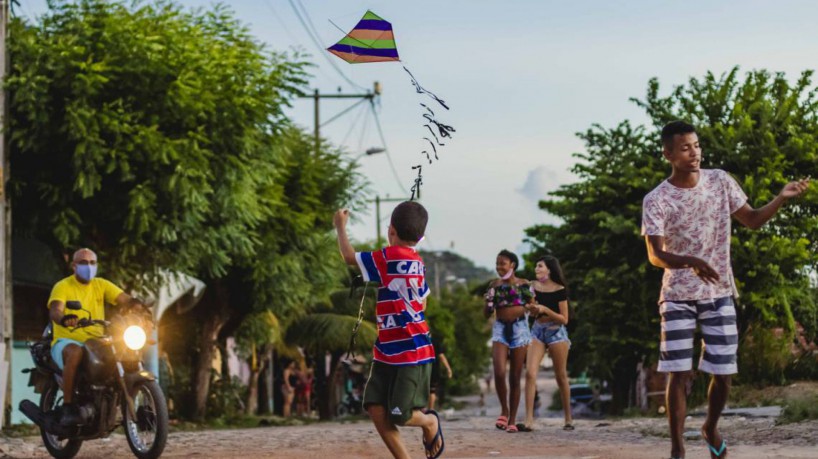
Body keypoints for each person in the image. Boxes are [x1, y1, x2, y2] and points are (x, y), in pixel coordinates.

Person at [642, 121, 810, 459]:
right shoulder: (657, 199)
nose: (695, 152)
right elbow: (655, 255)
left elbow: (752, 219)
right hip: (676, 295)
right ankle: (677, 448)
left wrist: (781, 197)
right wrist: (691, 260)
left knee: (723, 371)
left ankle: (710, 426)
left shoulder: (720, 181)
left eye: (697, 145)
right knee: (679, 370)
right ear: (668, 153)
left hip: (718, 292)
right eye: (686, 147)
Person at [334, 202, 444, 459]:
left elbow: (349, 257)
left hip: (411, 351)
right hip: (387, 348)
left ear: (390, 230)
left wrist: (340, 226)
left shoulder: (386, 257)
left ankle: (429, 423)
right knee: (374, 406)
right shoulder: (417, 261)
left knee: (400, 414)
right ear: (421, 237)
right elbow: (424, 300)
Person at [47, 248, 146, 426]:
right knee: (76, 352)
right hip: (67, 341)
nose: (89, 266)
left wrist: (137, 305)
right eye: (84, 263)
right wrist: (64, 319)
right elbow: (55, 310)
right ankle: (68, 407)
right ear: (74, 266)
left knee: (123, 350)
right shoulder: (62, 286)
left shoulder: (101, 285)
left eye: (92, 263)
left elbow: (124, 298)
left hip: (95, 342)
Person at [521, 255, 573, 432]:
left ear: (549, 269)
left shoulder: (560, 290)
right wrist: (533, 308)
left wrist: (545, 309)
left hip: (556, 332)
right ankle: (528, 419)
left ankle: (568, 418)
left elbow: (564, 319)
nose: (536, 269)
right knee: (529, 373)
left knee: (561, 375)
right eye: (536, 266)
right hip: (537, 330)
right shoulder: (532, 286)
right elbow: (530, 306)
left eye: (540, 266)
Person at [484, 249, 530, 433]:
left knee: (515, 376)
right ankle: (504, 409)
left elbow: (532, 305)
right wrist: (488, 303)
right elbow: (486, 313)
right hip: (500, 328)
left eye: (502, 263)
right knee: (500, 371)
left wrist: (531, 307)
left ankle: (512, 419)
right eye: (497, 264)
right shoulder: (494, 285)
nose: (499, 267)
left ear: (513, 265)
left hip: (519, 328)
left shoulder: (524, 284)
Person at [426, 333, 453, 412]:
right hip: (434, 369)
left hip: (420, 369)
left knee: (422, 390)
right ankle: (430, 410)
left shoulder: (419, 341)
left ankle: (421, 409)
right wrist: (448, 369)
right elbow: (442, 357)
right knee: (432, 391)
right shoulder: (435, 342)